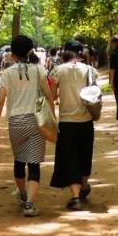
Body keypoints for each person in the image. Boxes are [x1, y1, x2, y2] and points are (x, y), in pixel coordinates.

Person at [0, 33, 56, 217]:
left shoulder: (8, 73)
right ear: (30, 52)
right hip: (36, 120)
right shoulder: (39, 70)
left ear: (12, 54)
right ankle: (30, 203)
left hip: (15, 121)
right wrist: (52, 117)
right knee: (34, 163)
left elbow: (0, 100)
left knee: (19, 160)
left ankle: (22, 194)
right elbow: (49, 95)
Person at [49, 40, 98, 211]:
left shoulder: (58, 70)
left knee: (70, 158)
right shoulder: (90, 70)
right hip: (86, 120)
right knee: (85, 154)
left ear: (65, 52)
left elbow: (52, 96)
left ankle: (75, 197)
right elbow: (94, 93)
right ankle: (84, 186)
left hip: (66, 122)